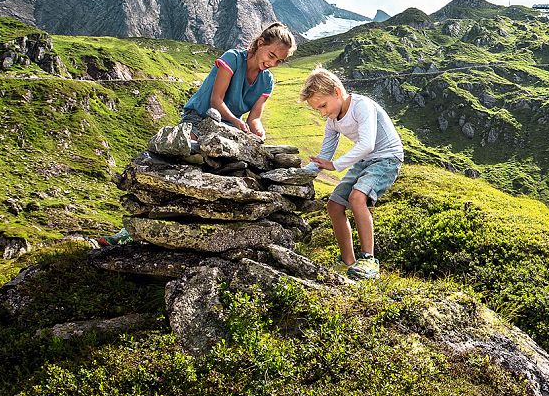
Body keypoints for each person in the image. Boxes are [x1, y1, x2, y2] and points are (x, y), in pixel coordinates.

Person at [97, 22, 296, 246]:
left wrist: (258, 130)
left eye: (279, 61)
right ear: (261, 43)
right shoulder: (232, 58)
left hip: (227, 133)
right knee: (172, 173)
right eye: (271, 55)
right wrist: (235, 121)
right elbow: (216, 101)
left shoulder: (267, 80)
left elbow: (255, 118)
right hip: (199, 120)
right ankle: (128, 233)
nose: (272, 63)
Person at [300, 67, 403, 279]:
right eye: (317, 109)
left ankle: (368, 261)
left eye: (323, 105)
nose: (322, 113)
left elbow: (367, 144)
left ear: (337, 92)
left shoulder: (362, 106)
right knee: (334, 205)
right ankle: (348, 263)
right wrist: (301, 175)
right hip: (365, 161)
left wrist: (335, 166)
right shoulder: (332, 120)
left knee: (357, 197)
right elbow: (325, 154)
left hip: (387, 158)